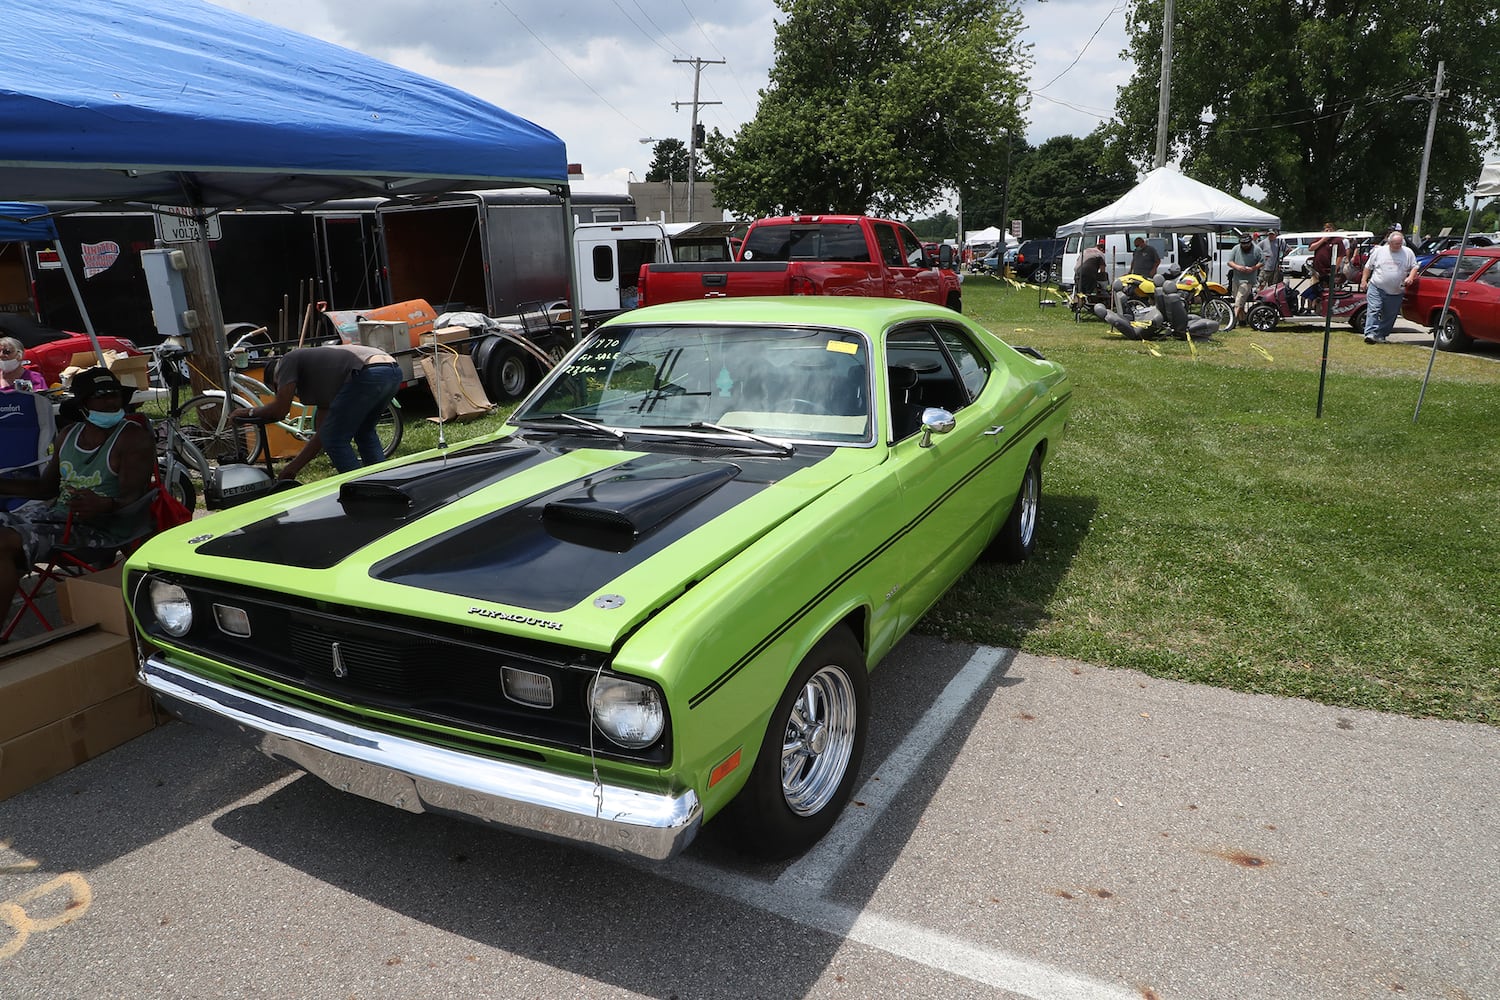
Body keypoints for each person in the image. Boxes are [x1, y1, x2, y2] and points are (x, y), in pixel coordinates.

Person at [0, 368, 155, 616]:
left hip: (100, 530)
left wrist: (106, 504)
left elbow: (134, 499)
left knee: (4, 542)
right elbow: (46, 488)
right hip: (57, 517)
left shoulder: (132, 439)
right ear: (83, 404)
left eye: (114, 394)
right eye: (101, 395)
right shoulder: (68, 435)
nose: (111, 401)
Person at [232, 343, 401, 480]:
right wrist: (292, 469)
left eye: (277, 389)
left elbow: (280, 410)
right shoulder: (322, 377)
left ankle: (360, 490)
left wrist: (248, 413)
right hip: (391, 369)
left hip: (367, 371)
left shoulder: (286, 362)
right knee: (364, 432)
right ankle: (384, 482)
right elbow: (321, 435)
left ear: (277, 381)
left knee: (336, 440)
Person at [1359, 228, 1419, 344]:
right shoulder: (1379, 251)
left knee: (1390, 314)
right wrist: (1363, 280)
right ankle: (1370, 334)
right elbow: (1368, 267)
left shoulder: (1407, 252)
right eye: (1396, 243)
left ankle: (1381, 335)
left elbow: (1414, 266)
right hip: (1377, 286)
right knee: (1374, 309)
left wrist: (1410, 277)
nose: (1398, 246)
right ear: (1389, 242)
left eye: (1400, 243)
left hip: (1396, 290)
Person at [1301, 221, 1347, 311]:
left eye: (1330, 229)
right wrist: (1323, 240)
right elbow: (1311, 248)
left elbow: (1340, 256)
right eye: (1326, 230)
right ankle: (1309, 308)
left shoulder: (1337, 240)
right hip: (1317, 272)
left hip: (1328, 272)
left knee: (1324, 292)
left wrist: (1334, 269)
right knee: (1312, 290)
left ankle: (1323, 309)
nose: (1328, 231)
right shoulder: (1319, 238)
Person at [1227, 232, 1262, 322]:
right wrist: (1238, 267)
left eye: (1247, 243)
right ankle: (1242, 320)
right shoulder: (1236, 248)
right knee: (1238, 301)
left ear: (1250, 242)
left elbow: (1262, 262)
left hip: (1248, 280)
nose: (1245, 246)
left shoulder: (1257, 249)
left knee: (1239, 300)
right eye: (1243, 244)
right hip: (1236, 279)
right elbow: (1230, 262)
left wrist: (1253, 268)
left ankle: (1232, 321)